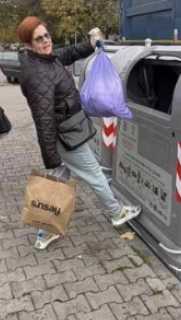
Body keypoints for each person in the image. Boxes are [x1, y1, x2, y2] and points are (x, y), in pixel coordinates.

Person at [17, 17, 141, 250]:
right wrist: (51, 154)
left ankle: (45, 233)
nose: (45, 41)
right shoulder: (36, 75)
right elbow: (43, 120)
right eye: (39, 39)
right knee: (94, 173)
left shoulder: (46, 59)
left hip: (64, 132)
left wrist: (90, 43)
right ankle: (116, 212)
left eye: (46, 35)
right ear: (28, 44)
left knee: (57, 181)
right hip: (64, 136)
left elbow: (67, 54)